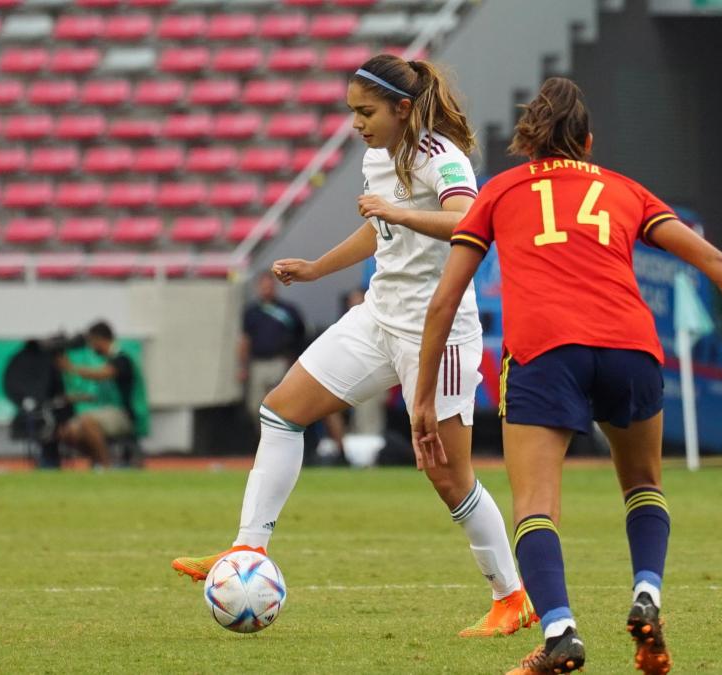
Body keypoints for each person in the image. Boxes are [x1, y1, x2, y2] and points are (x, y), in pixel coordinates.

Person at [412, 78, 722, 674]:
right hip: (630, 347)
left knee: (535, 506)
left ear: (528, 142)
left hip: (546, 351)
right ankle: (647, 593)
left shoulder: (499, 191)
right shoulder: (625, 190)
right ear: (588, 142)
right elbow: (716, 262)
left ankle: (561, 633)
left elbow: (444, 302)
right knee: (644, 483)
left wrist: (421, 396)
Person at [171, 54, 537, 638]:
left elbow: (468, 222)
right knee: (281, 411)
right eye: (350, 112)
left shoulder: (443, 158)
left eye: (365, 112)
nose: (356, 124)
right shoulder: (377, 157)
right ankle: (247, 552)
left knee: (449, 476)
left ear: (401, 108)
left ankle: (512, 596)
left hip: (436, 335)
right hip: (378, 319)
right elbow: (379, 229)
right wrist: (319, 268)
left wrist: (394, 210)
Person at [57, 321, 138, 468]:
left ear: (101, 339)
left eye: (92, 342)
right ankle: (98, 461)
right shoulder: (107, 361)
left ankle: (105, 467)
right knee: (68, 432)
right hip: (106, 412)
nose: (91, 347)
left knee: (88, 421)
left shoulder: (122, 359)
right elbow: (99, 394)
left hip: (123, 414)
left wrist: (71, 368)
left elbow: (103, 374)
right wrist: (75, 397)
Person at [239, 274, 306, 431]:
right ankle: (262, 436)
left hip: (280, 362)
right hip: (258, 364)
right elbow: (244, 340)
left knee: (278, 406)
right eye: (263, 286)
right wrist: (242, 366)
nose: (266, 289)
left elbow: (300, 336)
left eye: (269, 286)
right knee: (255, 405)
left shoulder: (288, 310)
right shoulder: (251, 312)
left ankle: (277, 438)